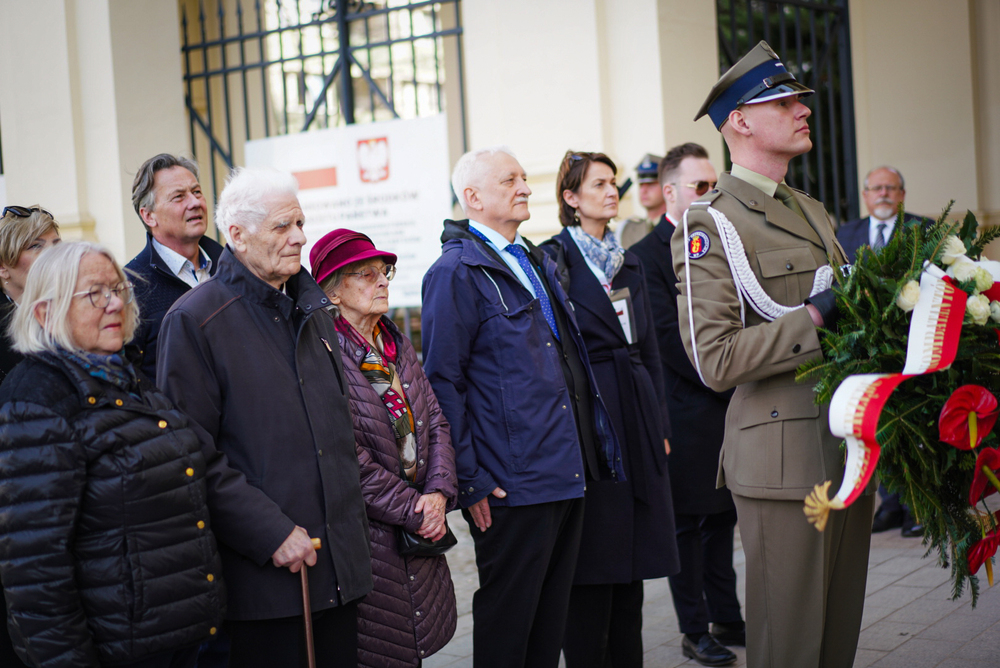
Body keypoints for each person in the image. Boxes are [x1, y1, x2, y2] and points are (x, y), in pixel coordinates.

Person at [675, 41, 874, 668]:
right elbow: (716, 360)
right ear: (740, 121)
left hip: (845, 445)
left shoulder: (810, 209)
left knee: (836, 639)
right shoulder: (714, 221)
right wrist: (814, 317)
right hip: (784, 462)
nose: (802, 111)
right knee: (788, 644)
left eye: (800, 101)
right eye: (784, 101)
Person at [156, 168, 373, 668]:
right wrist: (269, 531)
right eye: (282, 227)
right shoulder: (195, 320)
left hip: (338, 569)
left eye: (300, 222)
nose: (299, 237)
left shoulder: (313, 306)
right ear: (236, 234)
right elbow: (189, 453)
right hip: (269, 582)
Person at [421, 146, 624, 668]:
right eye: (509, 179)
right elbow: (444, 383)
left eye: (522, 179)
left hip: (563, 469)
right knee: (509, 623)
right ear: (473, 197)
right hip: (512, 483)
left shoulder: (529, 257)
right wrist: (471, 478)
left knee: (548, 620)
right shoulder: (457, 272)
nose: (525, 187)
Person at [0, 241, 224, 668]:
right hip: (121, 650)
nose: (113, 303)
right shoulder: (38, 398)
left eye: (117, 289)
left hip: (181, 637)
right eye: (94, 294)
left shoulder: (125, 376)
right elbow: (34, 569)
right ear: (47, 312)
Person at [543, 150, 679, 668]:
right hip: (589, 413)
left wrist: (659, 423)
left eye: (613, 184)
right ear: (571, 199)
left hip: (635, 405)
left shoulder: (629, 259)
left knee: (633, 563)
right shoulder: (552, 258)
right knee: (593, 559)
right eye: (598, 184)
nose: (610, 192)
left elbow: (648, 349)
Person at [310, 228, 458, 668]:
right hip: (372, 536)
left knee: (410, 643)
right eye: (365, 273)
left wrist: (438, 493)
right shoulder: (324, 355)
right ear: (331, 294)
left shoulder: (393, 342)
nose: (382, 281)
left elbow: (436, 422)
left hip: (417, 522)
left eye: (384, 271)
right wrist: (417, 509)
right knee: (380, 648)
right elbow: (346, 457)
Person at [631, 142, 745, 667]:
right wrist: (727, 378)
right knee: (689, 528)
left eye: (713, 185)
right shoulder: (647, 256)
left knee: (723, 520)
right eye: (701, 187)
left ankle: (727, 614)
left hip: (727, 405)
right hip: (685, 408)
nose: (710, 194)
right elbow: (664, 338)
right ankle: (693, 629)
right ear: (670, 192)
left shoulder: (723, 239)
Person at [837, 165, 925, 538]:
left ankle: (916, 507)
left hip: (915, 344)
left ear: (902, 194)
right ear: (865, 195)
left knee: (914, 422)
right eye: (877, 188)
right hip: (866, 347)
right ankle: (889, 505)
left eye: (891, 188)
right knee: (876, 422)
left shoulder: (924, 229)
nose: (884, 194)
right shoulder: (845, 234)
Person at [125, 153, 224, 382]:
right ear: (149, 216)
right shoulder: (130, 287)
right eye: (179, 197)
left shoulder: (232, 266)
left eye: (197, 192)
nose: (195, 202)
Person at [0, 205, 61, 381]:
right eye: (36, 246)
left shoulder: (80, 304)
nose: (54, 254)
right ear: (3, 267)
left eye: (57, 244)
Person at [616, 153, 664, 249]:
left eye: (651, 184)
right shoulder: (627, 229)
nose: (643, 191)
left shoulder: (678, 226)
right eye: (641, 185)